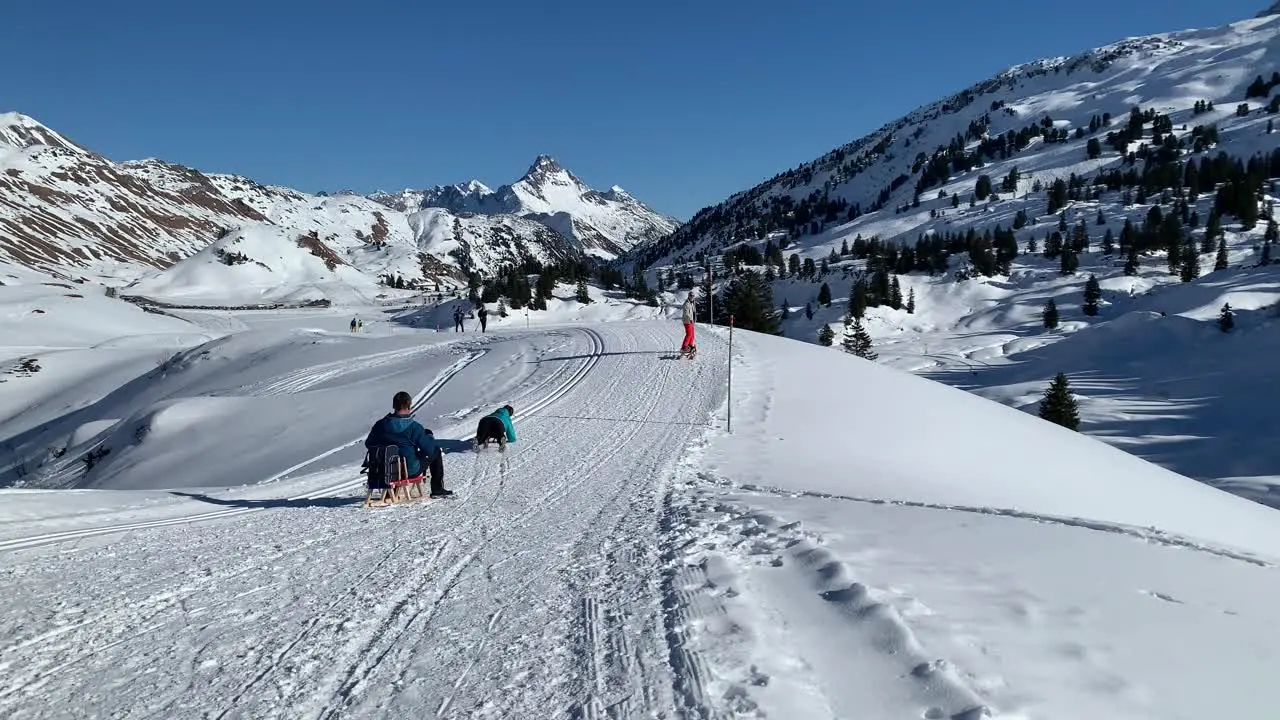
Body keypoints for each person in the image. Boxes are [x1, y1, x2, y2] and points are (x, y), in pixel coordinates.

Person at [365, 391, 452, 497]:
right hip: (408, 471)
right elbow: (429, 449)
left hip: (384, 471)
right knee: (436, 452)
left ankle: (392, 487)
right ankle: (437, 490)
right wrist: (429, 437)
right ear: (409, 406)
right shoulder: (414, 427)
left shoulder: (380, 425)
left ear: (394, 405)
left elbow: (369, 443)